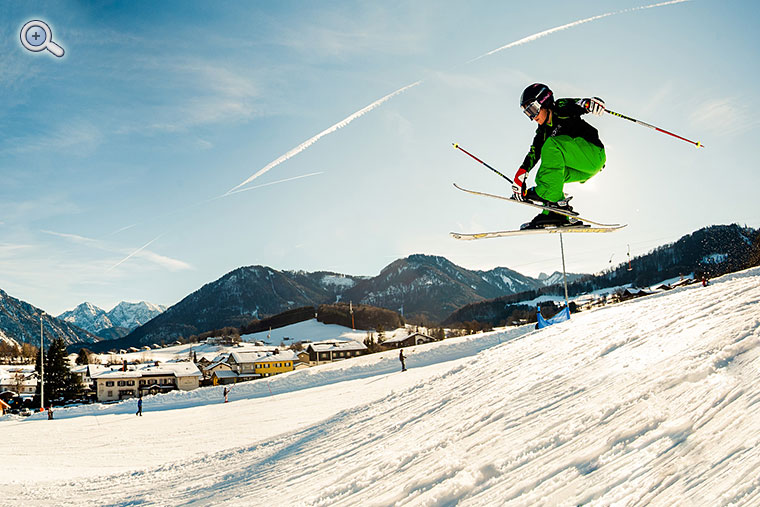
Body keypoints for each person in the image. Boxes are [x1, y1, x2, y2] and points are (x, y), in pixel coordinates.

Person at [512, 83, 607, 229]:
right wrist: (521, 174)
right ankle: (556, 214)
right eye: (527, 113)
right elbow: (534, 152)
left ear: (543, 101)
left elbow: (576, 105)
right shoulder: (542, 133)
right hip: (581, 169)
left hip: (592, 153)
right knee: (548, 176)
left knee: (551, 146)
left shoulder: (559, 108)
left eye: (532, 110)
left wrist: (589, 104)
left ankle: (548, 197)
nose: (532, 117)